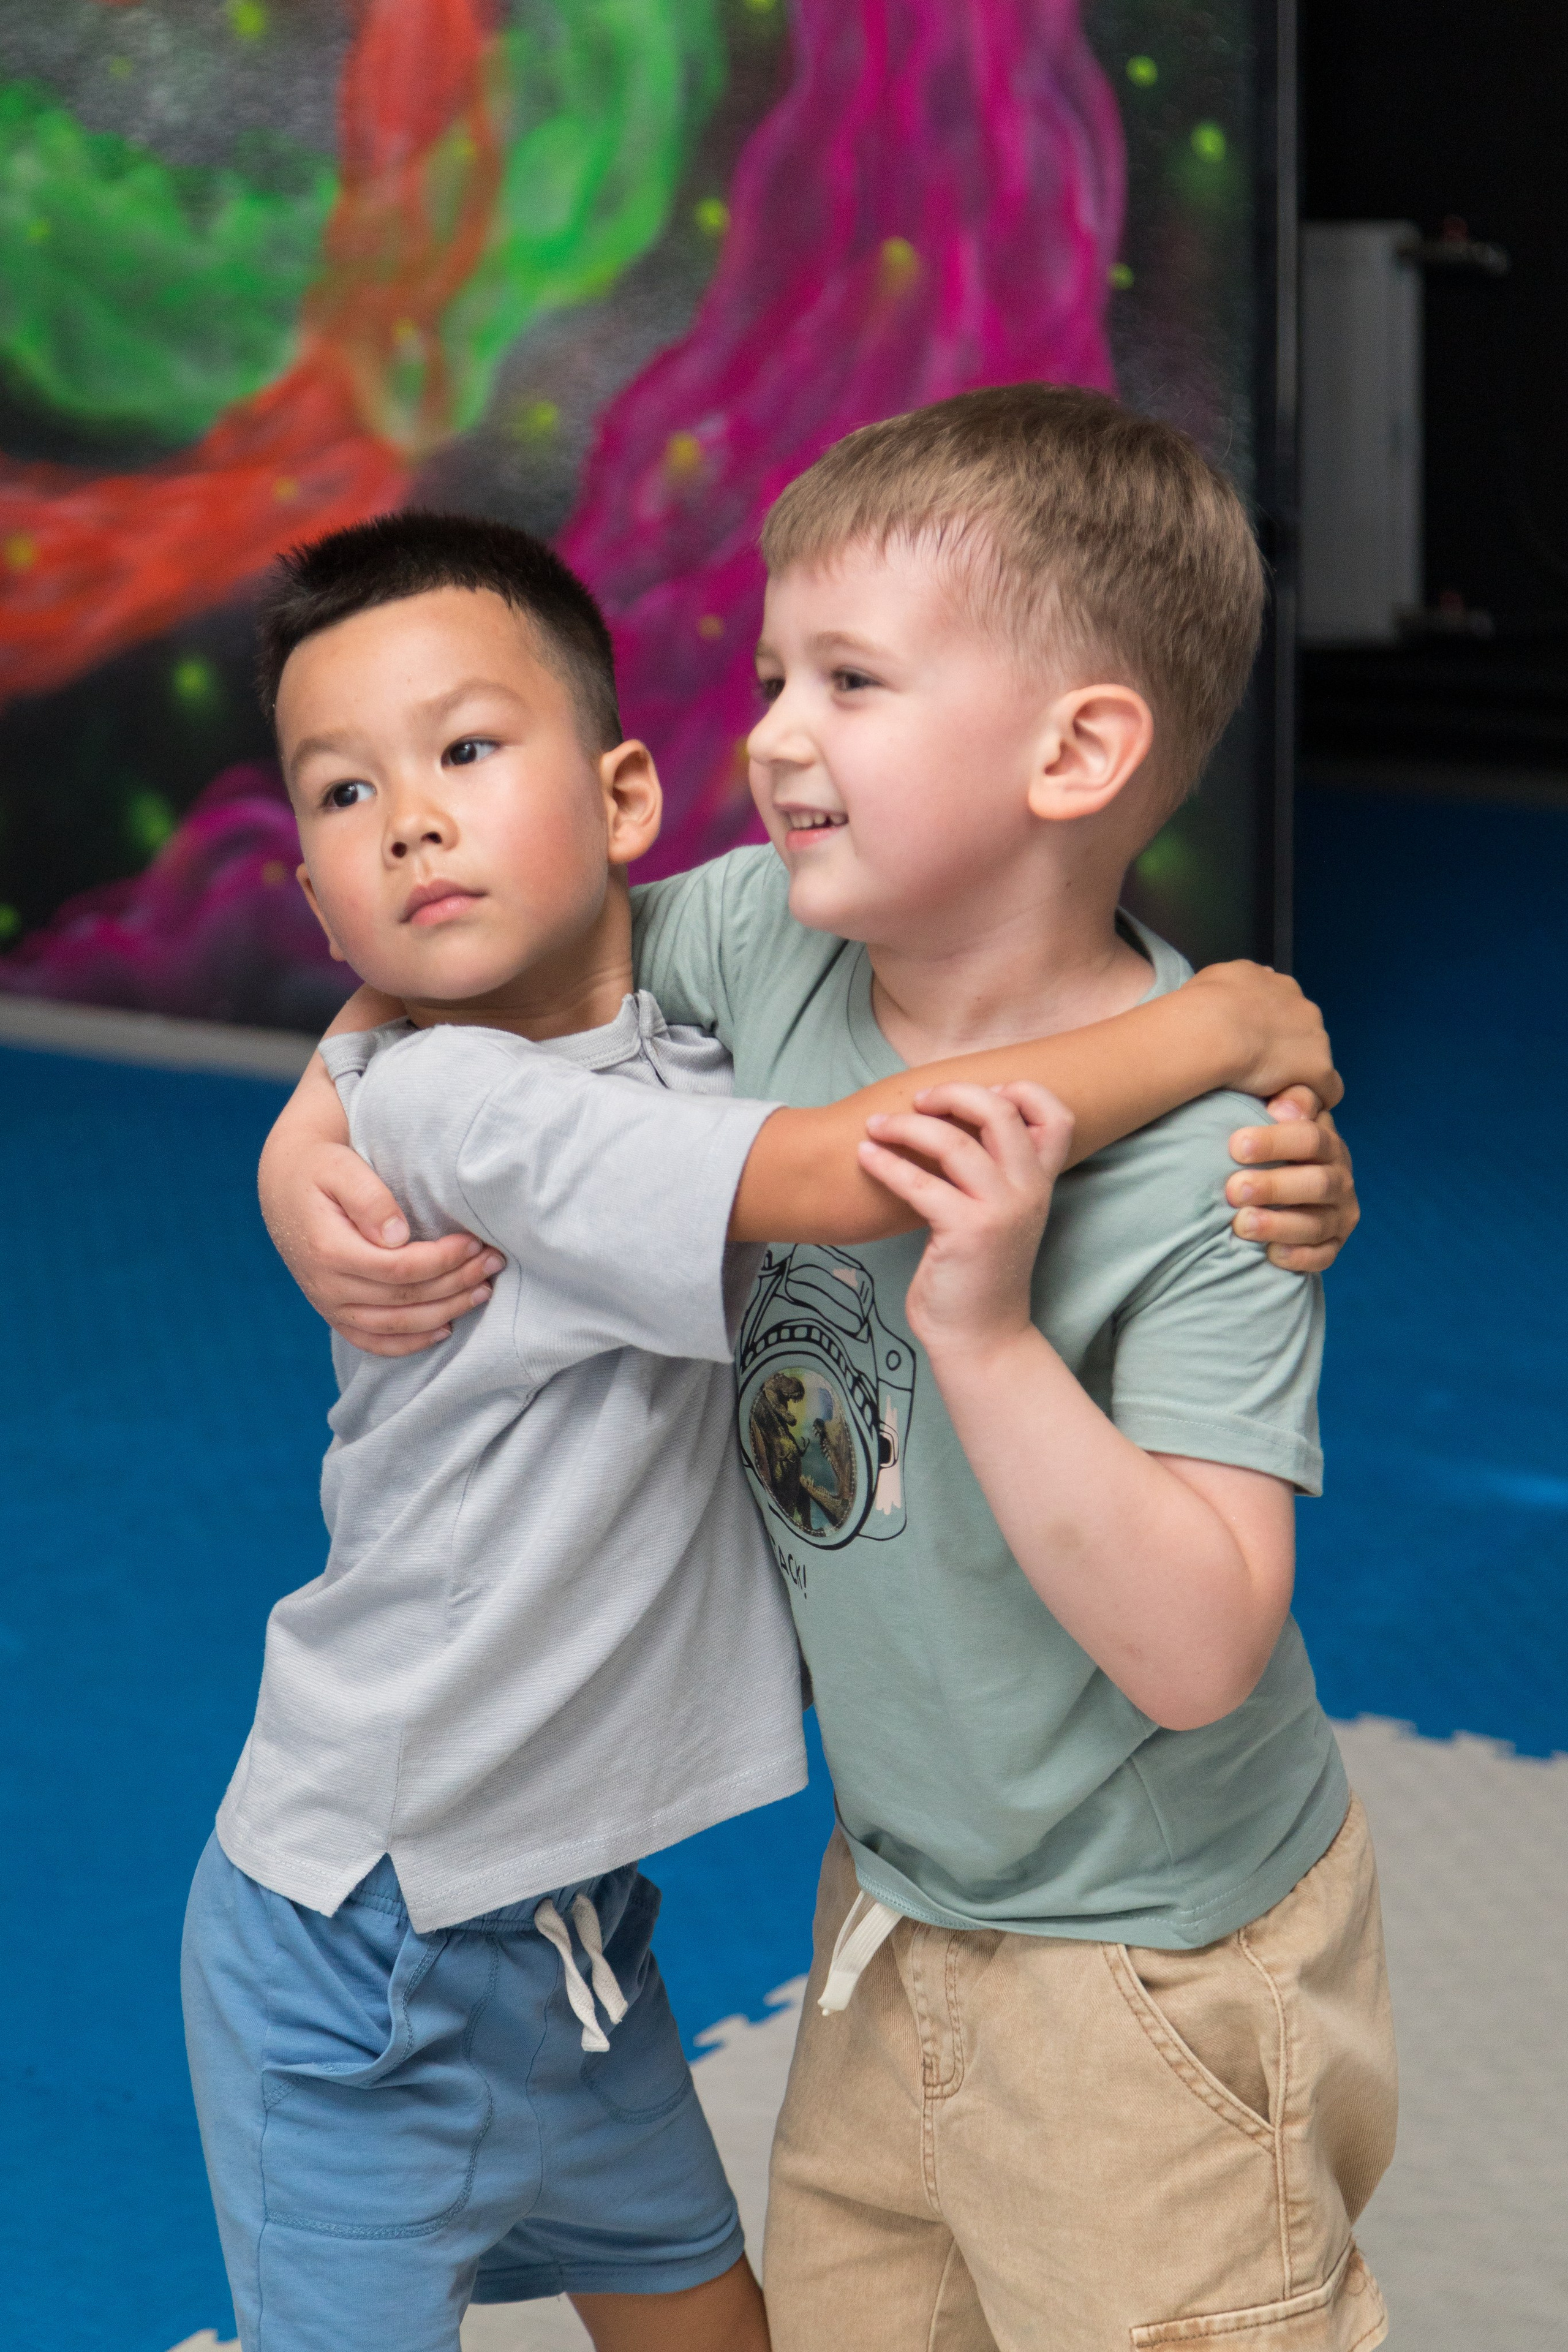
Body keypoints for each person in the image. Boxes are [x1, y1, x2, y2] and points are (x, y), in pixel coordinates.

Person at [253, 383, 1381, 2352]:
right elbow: (479, 948)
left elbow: (1203, 1653)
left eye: (848, 681)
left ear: (1079, 749)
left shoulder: (1222, 1172)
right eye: (776, 673)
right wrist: (310, 1129)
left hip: (1151, 1962)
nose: (768, 736)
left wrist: (987, 1329)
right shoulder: (761, 945)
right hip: (893, 1906)